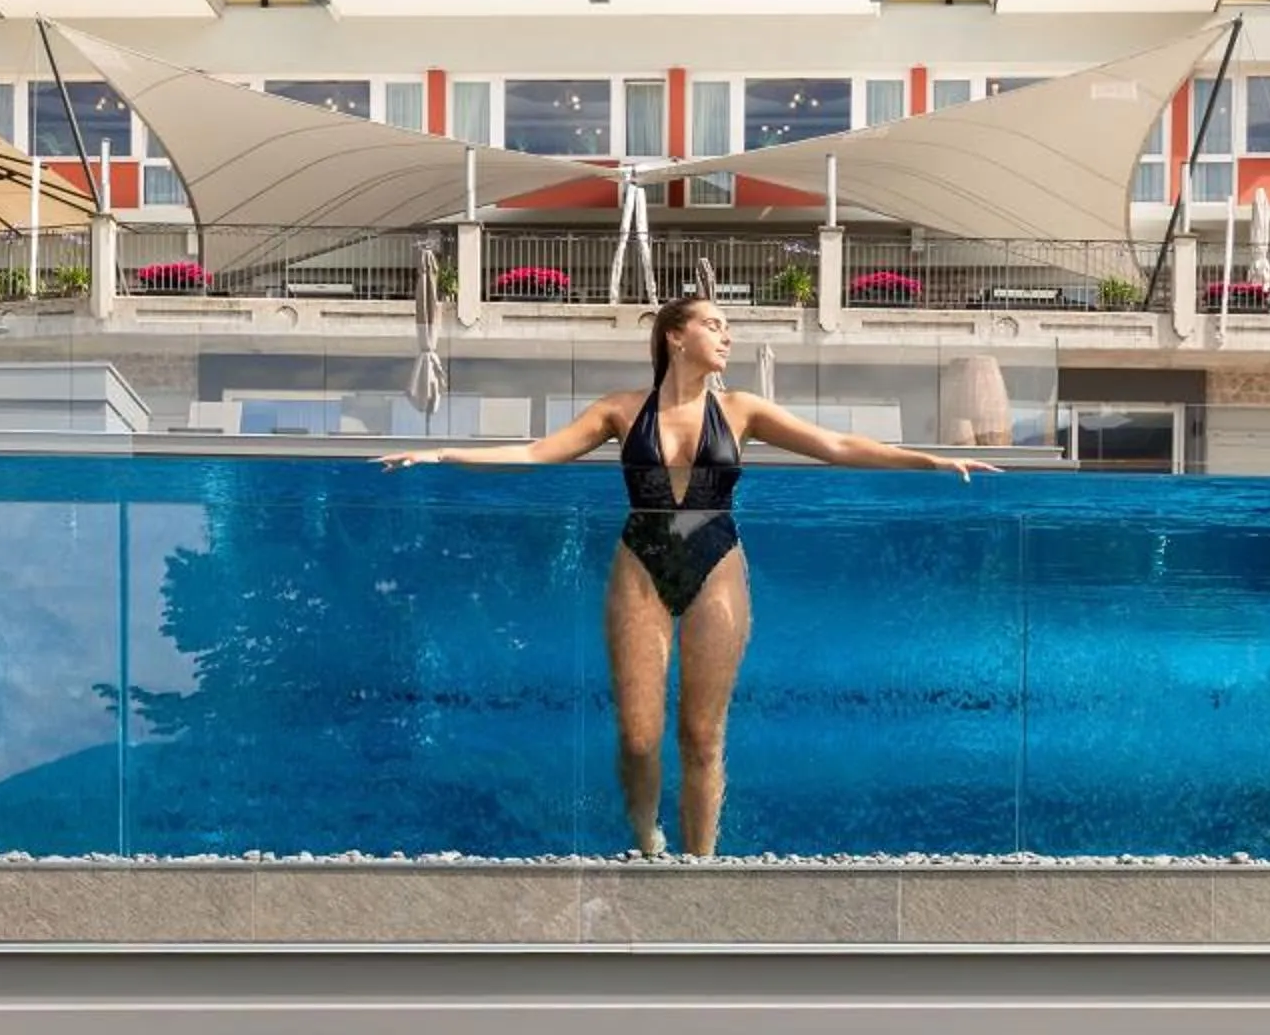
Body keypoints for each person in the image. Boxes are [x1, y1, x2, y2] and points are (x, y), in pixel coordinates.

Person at [381, 293, 989, 858]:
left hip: (715, 557)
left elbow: (836, 444)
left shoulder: (740, 409)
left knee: (701, 735)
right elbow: (539, 452)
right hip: (640, 560)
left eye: (728, 328)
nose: (727, 336)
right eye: (714, 325)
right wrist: (443, 453)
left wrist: (930, 459)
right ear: (676, 335)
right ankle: (647, 841)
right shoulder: (621, 409)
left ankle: (702, 867)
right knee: (639, 738)